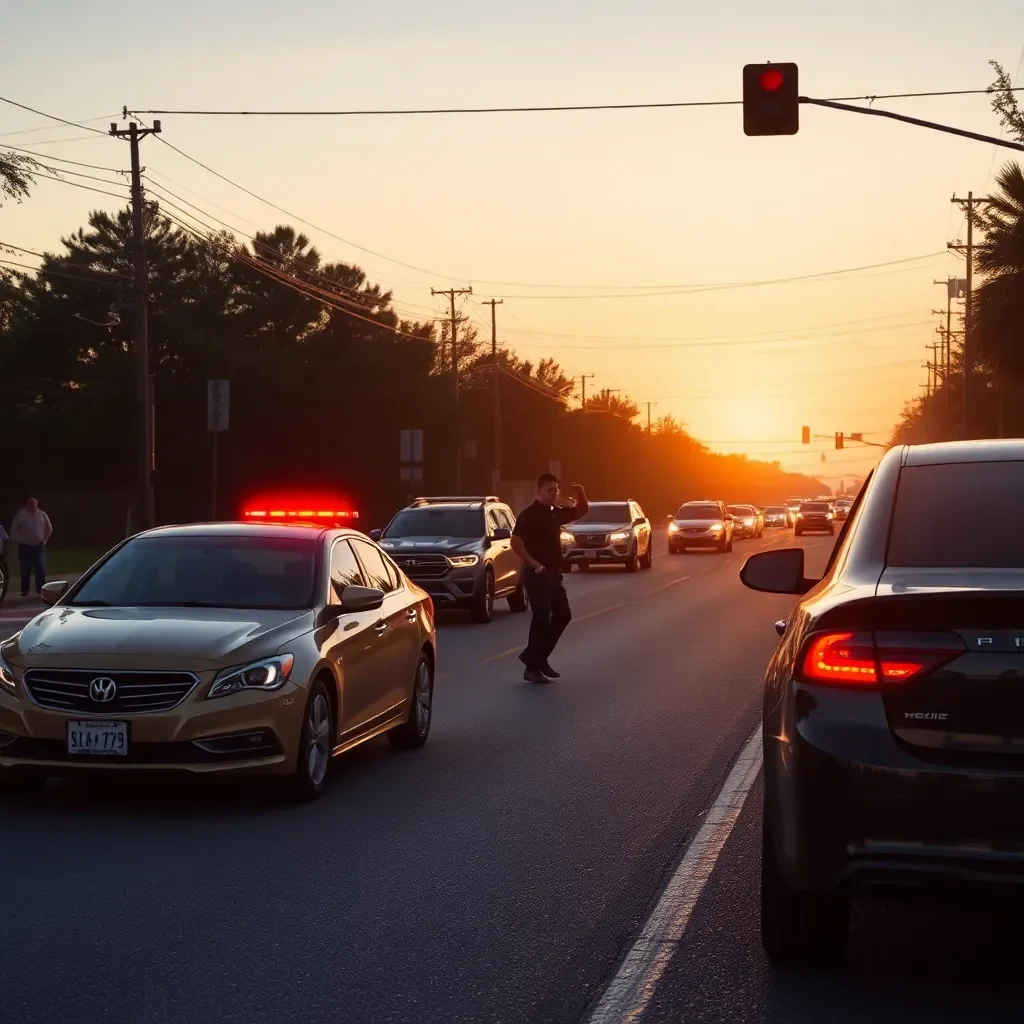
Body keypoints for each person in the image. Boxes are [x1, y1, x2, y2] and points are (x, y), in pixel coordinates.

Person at [511, 473, 588, 684]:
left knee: (563, 614)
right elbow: (516, 542)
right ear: (538, 491)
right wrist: (534, 563)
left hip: (553, 574)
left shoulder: (555, 513)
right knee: (542, 617)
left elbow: (580, 510)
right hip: (537, 575)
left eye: (556, 489)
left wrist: (580, 492)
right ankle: (533, 665)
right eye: (549, 490)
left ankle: (538, 659)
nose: (553, 494)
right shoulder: (529, 514)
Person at [10, 496, 52, 597]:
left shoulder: (42, 514)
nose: (33, 506)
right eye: (31, 504)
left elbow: (49, 528)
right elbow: (14, 528)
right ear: (27, 504)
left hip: (39, 546)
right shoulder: (22, 514)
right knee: (25, 568)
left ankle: (40, 590)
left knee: (40, 567)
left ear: (37, 504)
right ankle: (25, 590)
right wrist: (17, 539)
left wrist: (44, 540)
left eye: (34, 504)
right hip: (25, 546)